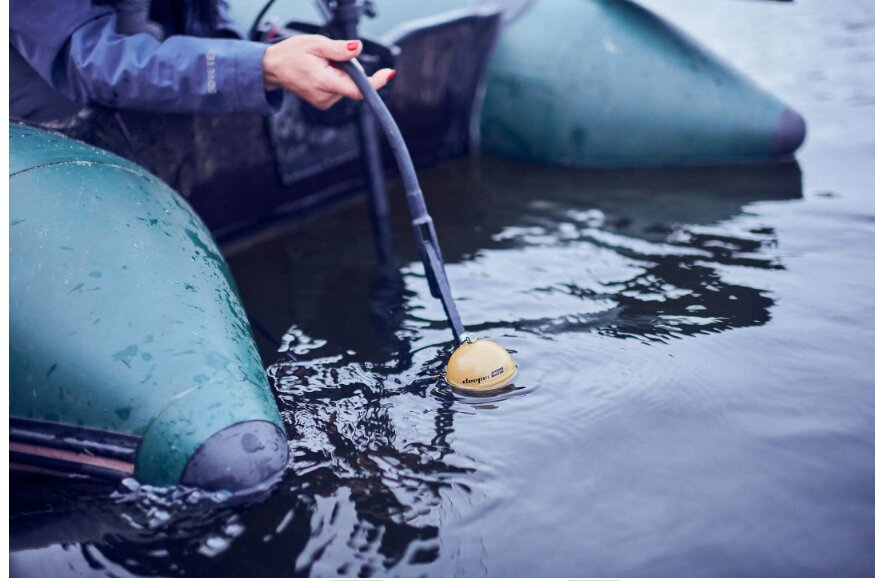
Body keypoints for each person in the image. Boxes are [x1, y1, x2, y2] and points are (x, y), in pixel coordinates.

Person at [9, 0, 395, 123]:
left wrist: (242, 48)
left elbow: (203, 11)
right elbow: (97, 61)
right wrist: (262, 66)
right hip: (46, 146)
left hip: (147, 89)